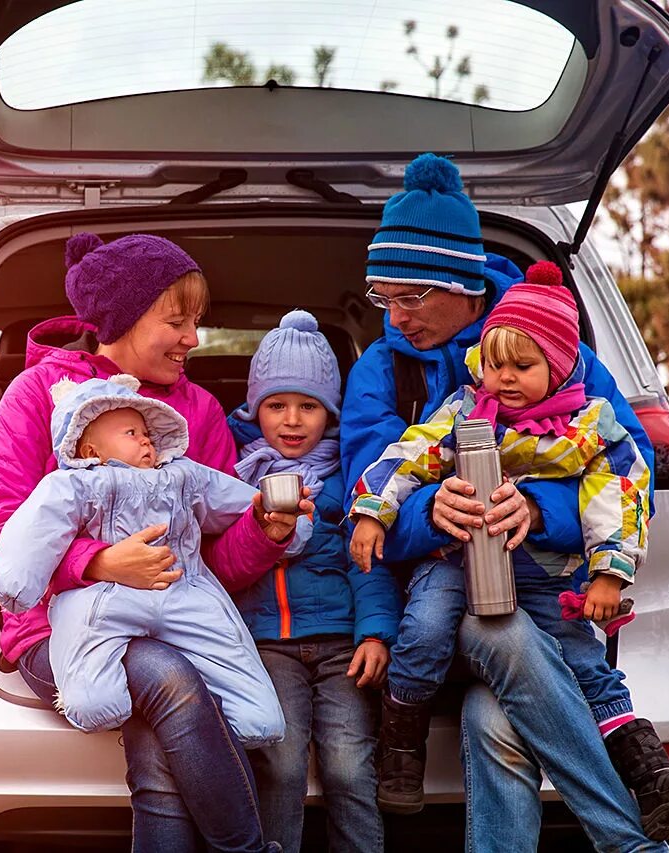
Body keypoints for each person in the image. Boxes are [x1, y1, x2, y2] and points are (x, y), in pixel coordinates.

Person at [340, 153, 669, 851]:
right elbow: (367, 481)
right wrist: (428, 509)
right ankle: (631, 842)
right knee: (497, 628)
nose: (396, 317)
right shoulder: (383, 369)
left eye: (411, 296)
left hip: (551, 594)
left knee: (497, 725)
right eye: (385, 297)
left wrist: (540, 512)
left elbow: (624, 463)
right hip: (429, 612)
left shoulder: (559, 351)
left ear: (462, 286)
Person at [0, 232, 300, 853]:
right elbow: (1, 530)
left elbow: (214, 563)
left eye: (196, 322)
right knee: (167, 676)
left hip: (177, 619)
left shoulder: (198, 412)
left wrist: (264, 531)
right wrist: (96, 563)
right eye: (176, 321)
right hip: (57, 629)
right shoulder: (38, 396)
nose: (193, 339)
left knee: (158, 738)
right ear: (122, 319)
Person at [0, 374, 301, 746]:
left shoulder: (184, 475)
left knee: (254, 705)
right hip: (107, 594)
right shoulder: (75, 484)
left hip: (185, 591)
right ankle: (95, 698)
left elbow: (236, 502)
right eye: (130, 433)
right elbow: (38, 526)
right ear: (90, 451)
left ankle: (253, 717)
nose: (145, 440)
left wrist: (275, 517)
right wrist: (15, 584)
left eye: (145, 432)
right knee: (90, 664)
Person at [225, 310, 400, 853]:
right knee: (280, 763)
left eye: (309, 406)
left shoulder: (348, 481)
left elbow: (366, 563)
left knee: (349, 767)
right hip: (268, 647)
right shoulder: (233, 476)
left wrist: (375, 634)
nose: (293, 420)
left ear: (331, 413)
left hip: (340, 648)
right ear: (256, 410)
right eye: (277, 405)